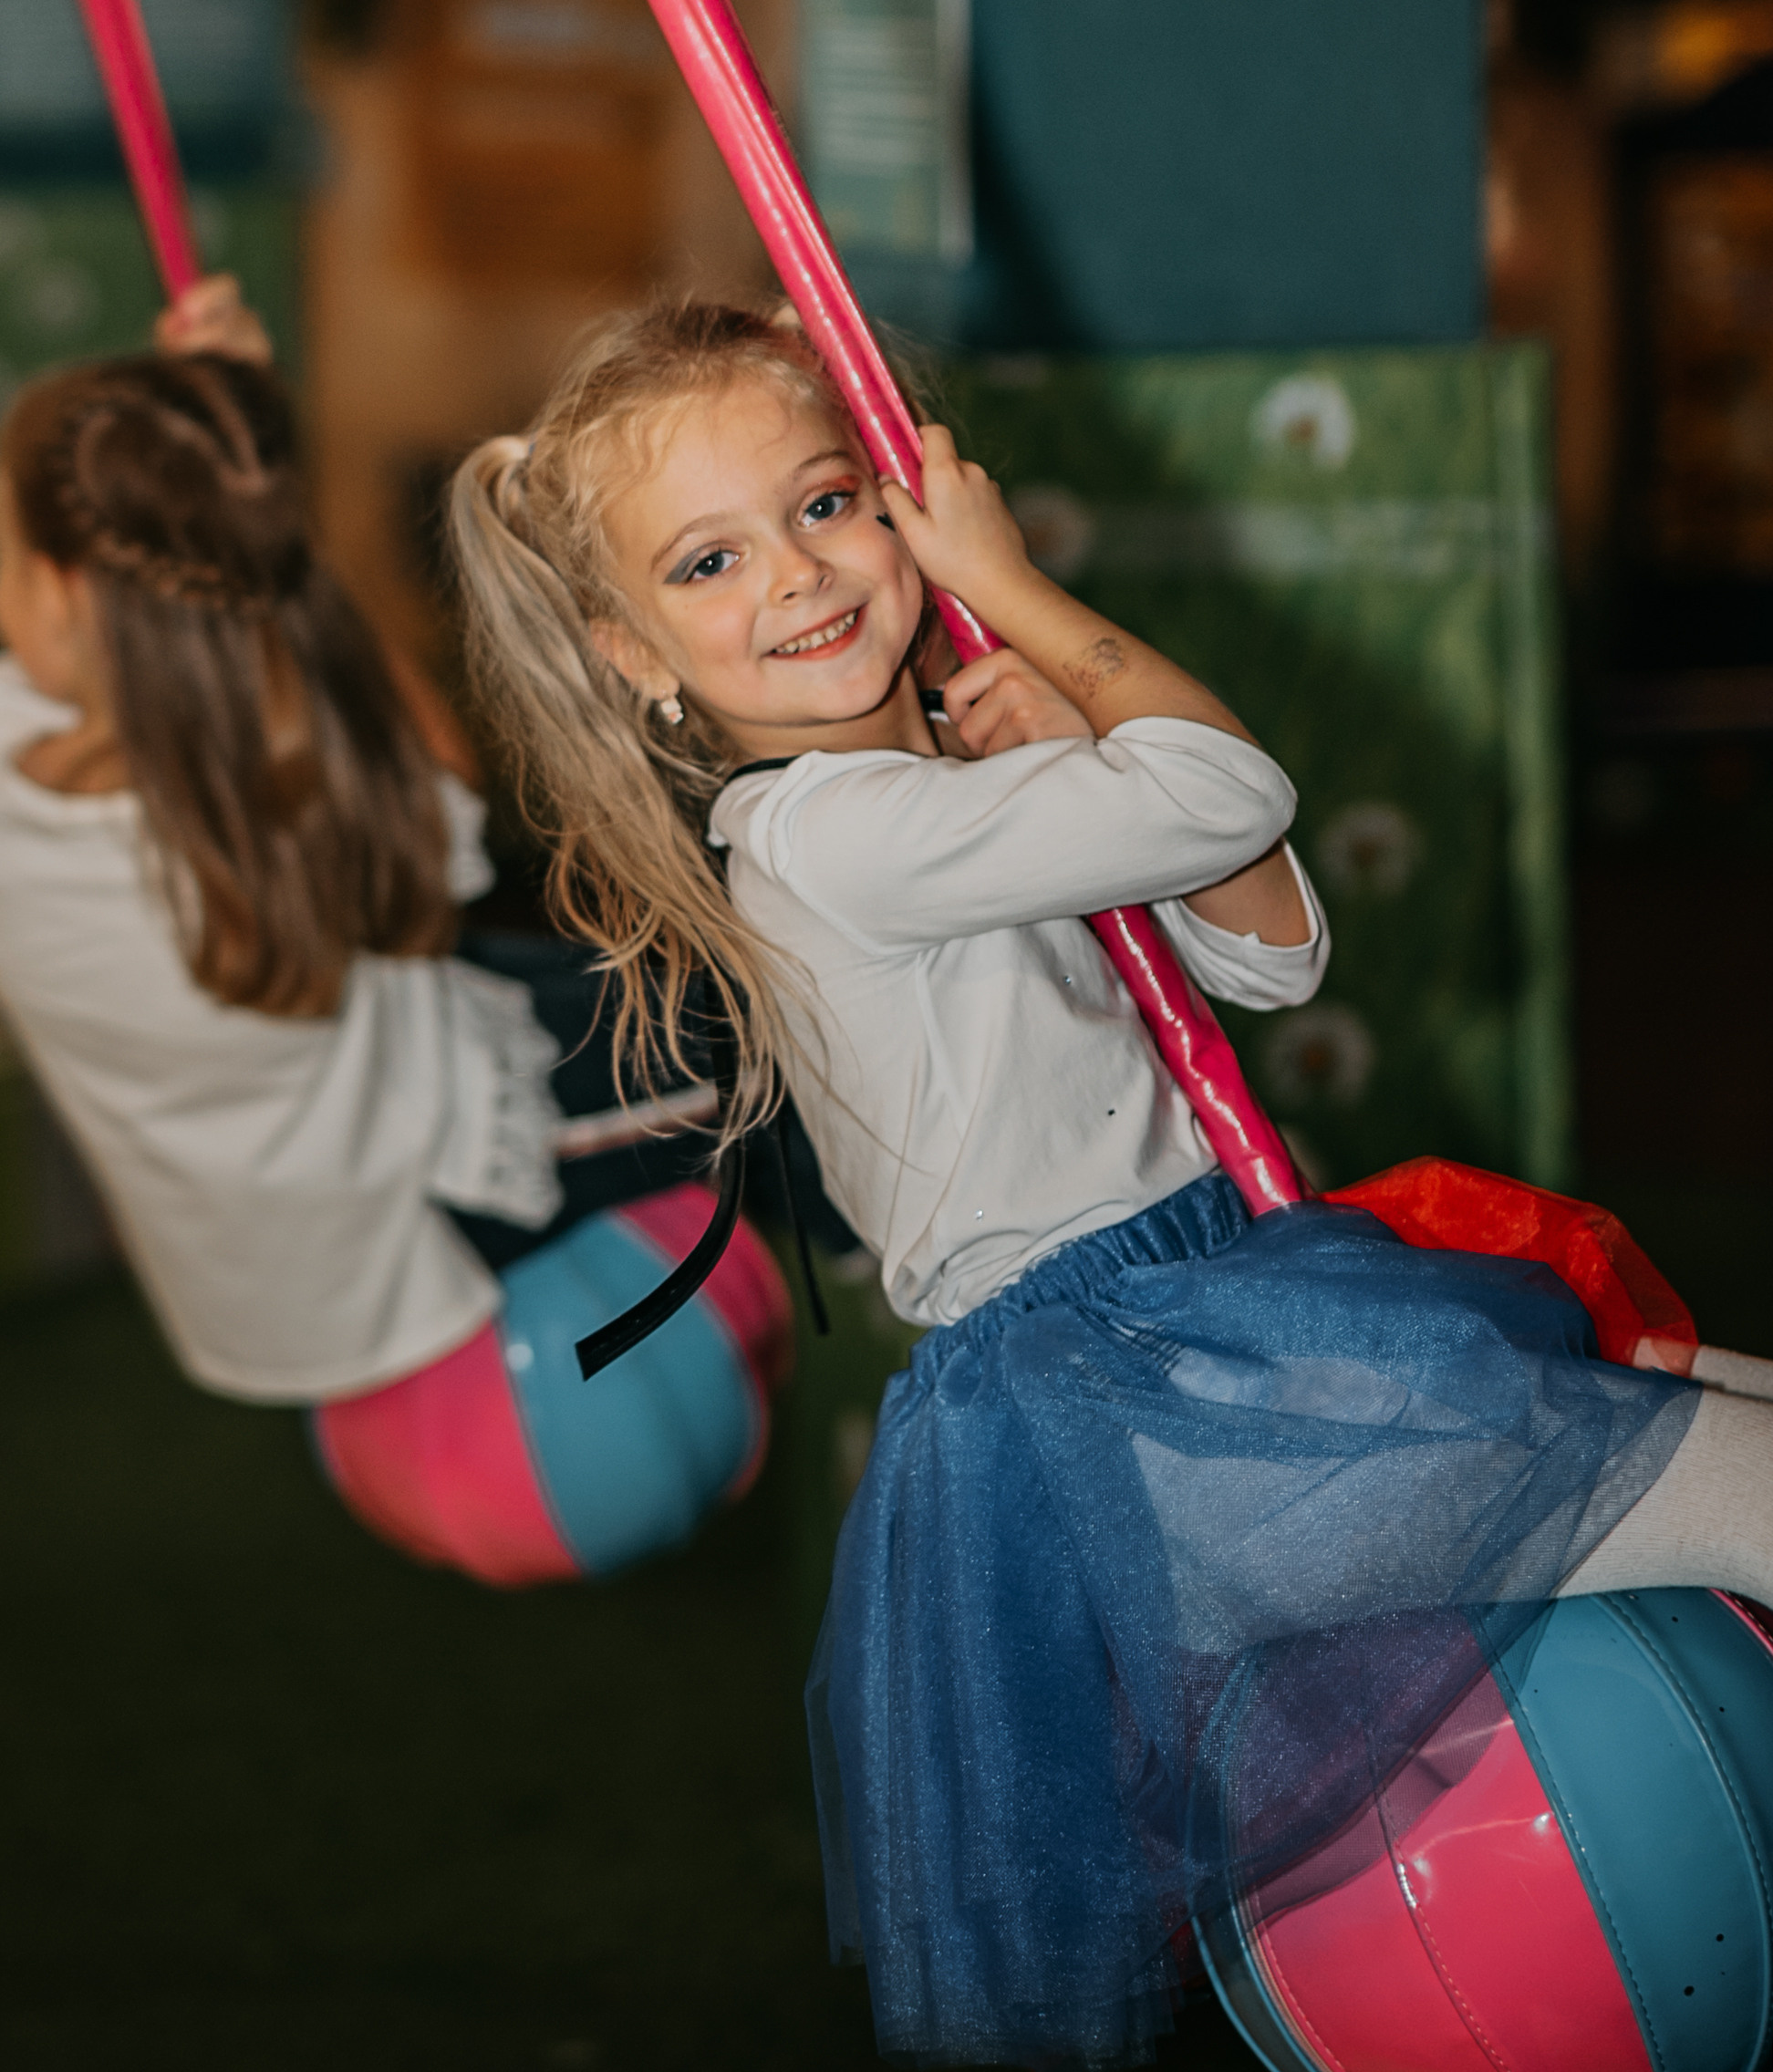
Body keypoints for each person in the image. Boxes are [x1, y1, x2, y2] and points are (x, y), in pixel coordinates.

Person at [448, 294, 1773, 2067]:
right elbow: (1230, 788)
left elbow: (1272, 950)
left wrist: (1059, 766)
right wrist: (1051, 623)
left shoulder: (908, 786)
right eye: (707, 561)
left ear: (885, 490)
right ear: (632, 654)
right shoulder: (829, 833)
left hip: (1207, 1319)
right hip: (1152, 1386)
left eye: (823, 501)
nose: (794, 574)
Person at [0, 274, 576, 1410]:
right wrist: (262, 504)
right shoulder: (314, 820)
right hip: (434, 1214)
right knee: (745, 1027)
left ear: (69, 602)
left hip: (268, 1296)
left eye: (4, 558)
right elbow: (446, 791)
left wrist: (214, 471)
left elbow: (186, 667)